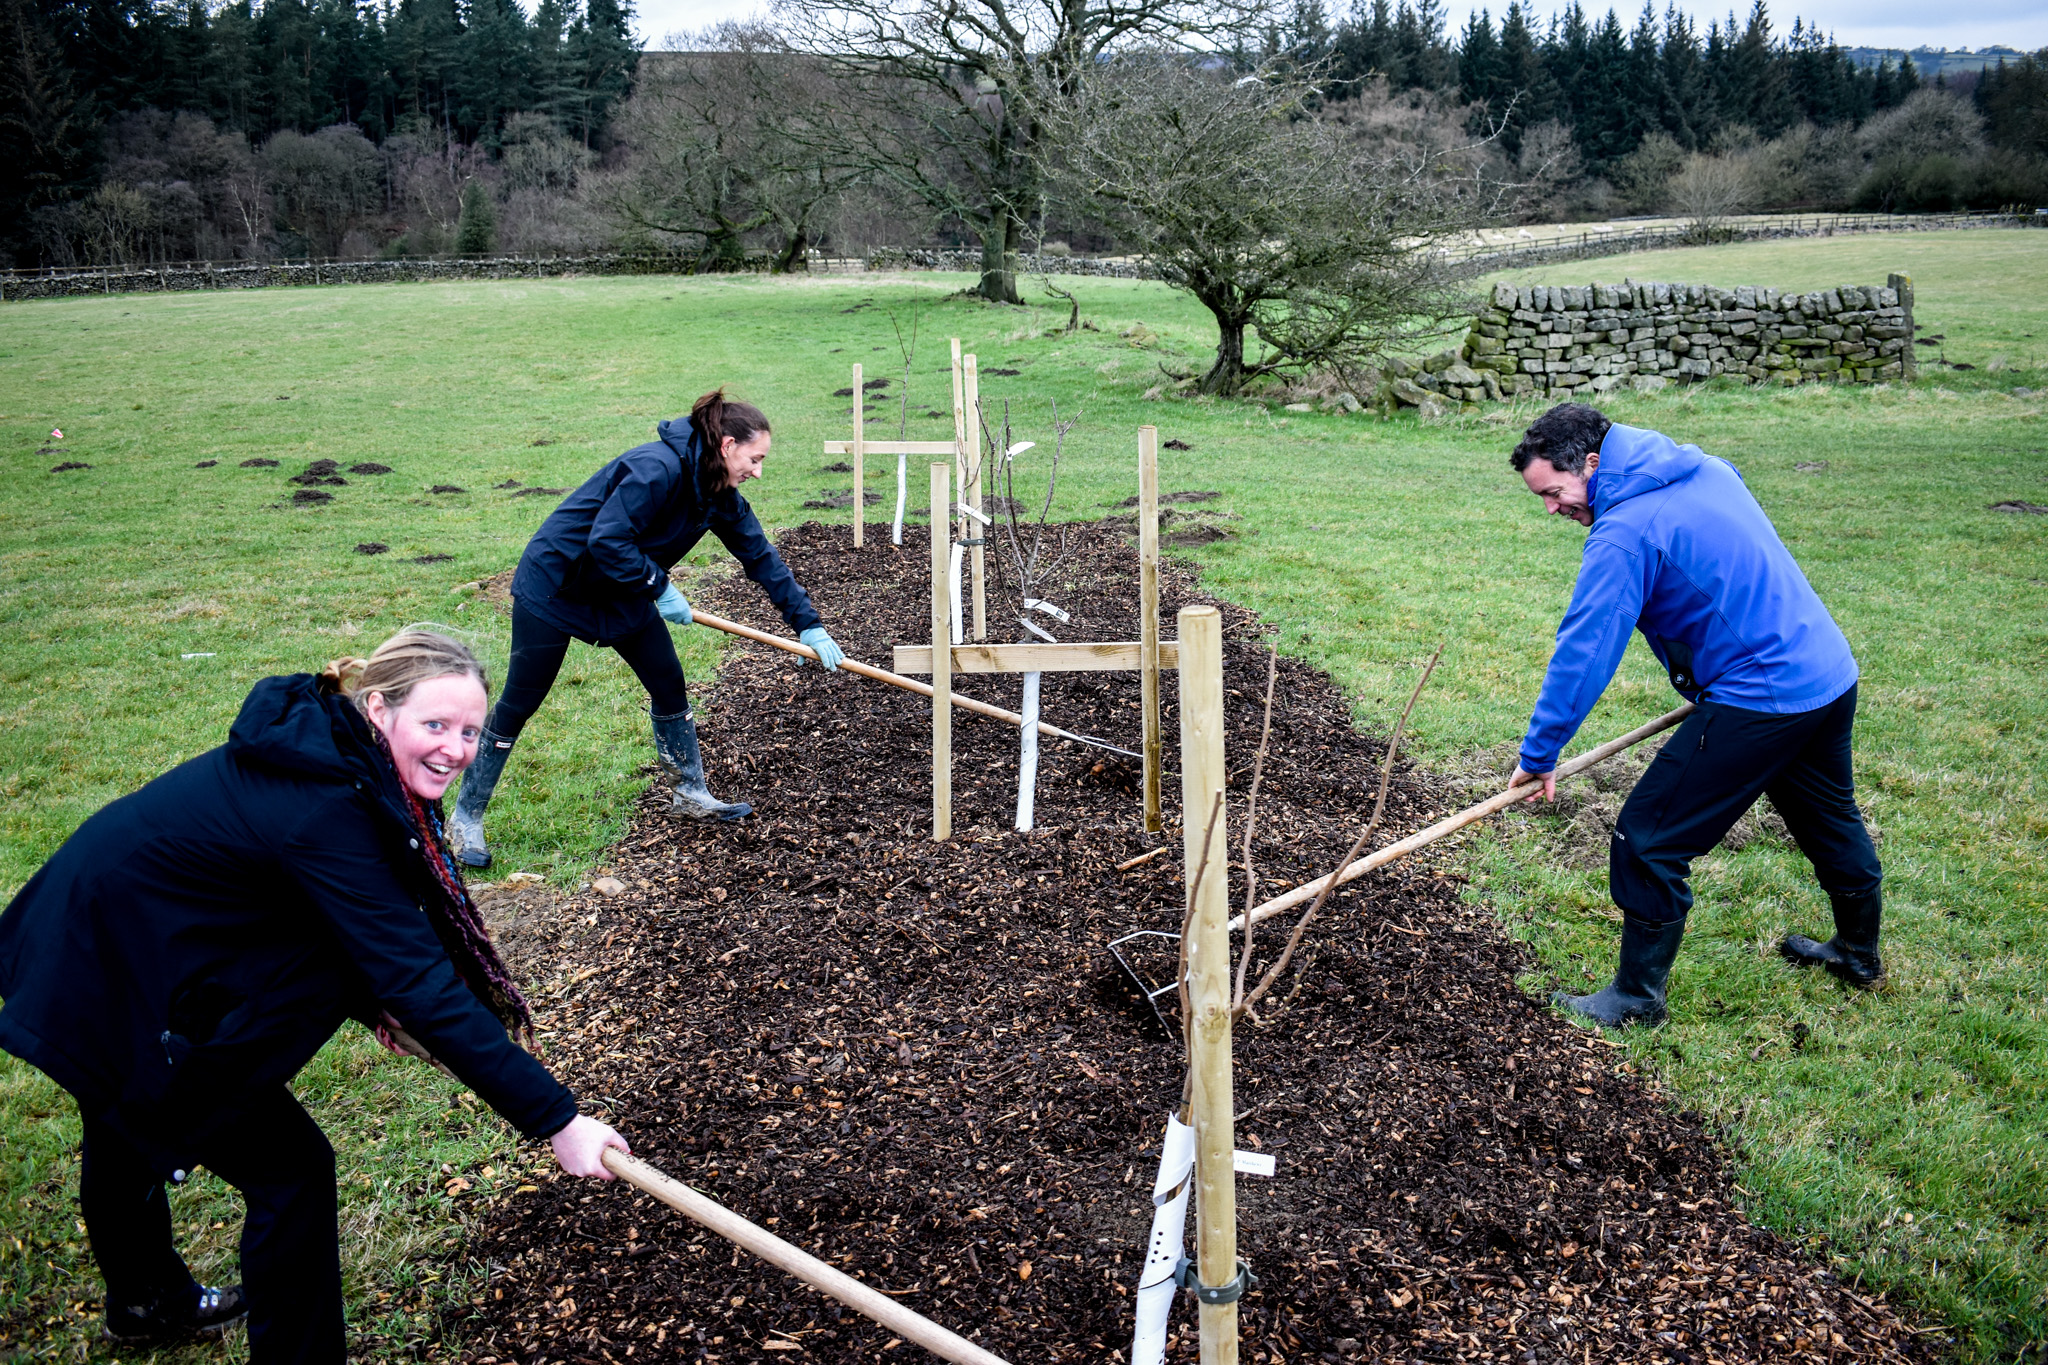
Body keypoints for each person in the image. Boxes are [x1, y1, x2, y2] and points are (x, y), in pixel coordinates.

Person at [0, 630, 628, 1358]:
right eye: (435, 724)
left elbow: (346, 931)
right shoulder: (327, 805)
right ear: (379, 708)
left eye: (468, 731)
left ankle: (144, 1300)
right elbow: (415, 977)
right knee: (285, 1169)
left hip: (118, 931)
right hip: (101, 950)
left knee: (122, 1105)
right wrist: (557, 1118)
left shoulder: (338, 758)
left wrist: (373, 997)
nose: (455, 749)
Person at [1506, 403, 1884, 1028]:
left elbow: (1586, 650)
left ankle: (1633, 1001)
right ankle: (1857, 954)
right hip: (1824, 670)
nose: (1552, 508)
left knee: (1648, 838)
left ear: (1593, 464)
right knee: (1829, 814)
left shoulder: (1625, 531)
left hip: (1763, 695)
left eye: (1554, 492)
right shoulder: (1701, 468)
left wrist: (1539, 754)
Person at [448, 389, 845, 868]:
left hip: (622, 588)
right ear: (726, 446)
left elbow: (761, 558)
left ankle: (690, 793)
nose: (758, 471)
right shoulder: (656, 468)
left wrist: (809, 625)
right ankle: (465, 817)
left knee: (668, 684)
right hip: (559, 582)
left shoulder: (717, 494)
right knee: (521, 700)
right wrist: (659, 585)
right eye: (755, 458)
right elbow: (607, 538)